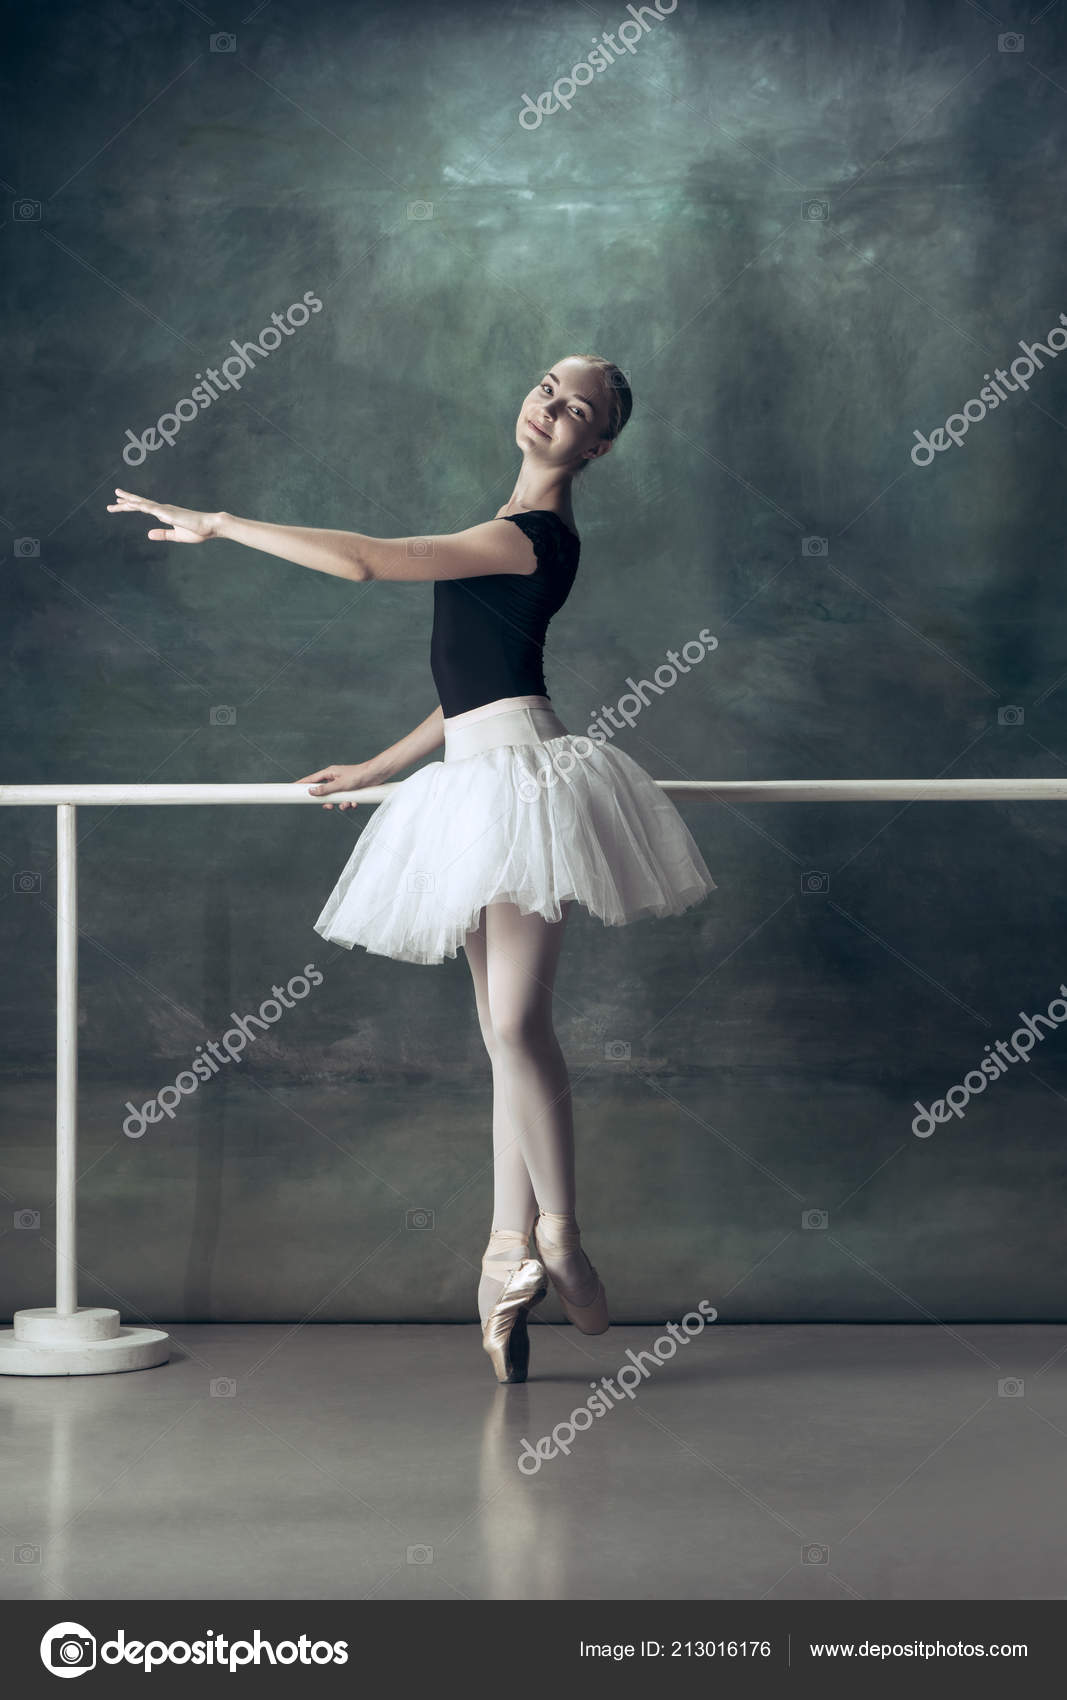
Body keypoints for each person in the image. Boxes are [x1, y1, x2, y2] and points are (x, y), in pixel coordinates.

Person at [107, 354, 716, 1384]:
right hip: (474, 773)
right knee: (498, 1034)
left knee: (517, 1023)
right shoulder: (508, 526)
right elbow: (471, 679)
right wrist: (385, 764)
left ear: (597, 446)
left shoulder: (530, 536)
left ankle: (560, 1232)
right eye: (544, 383)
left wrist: (219, 521)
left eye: (578, 407)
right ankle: (502, 1252)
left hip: (520, 782)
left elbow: (364, 563)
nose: (550, 403)